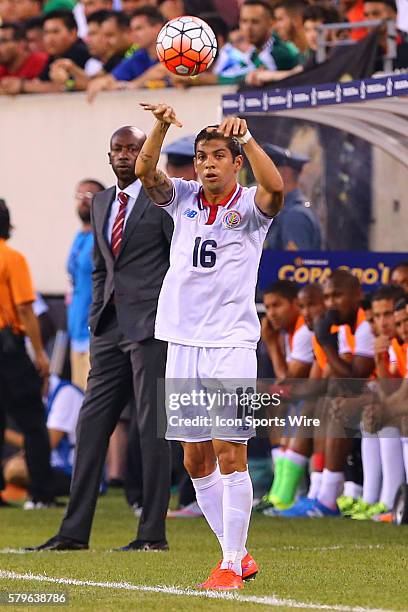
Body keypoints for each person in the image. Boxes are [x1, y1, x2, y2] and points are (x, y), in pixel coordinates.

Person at [136, 102, 284, 589]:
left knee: (229, 451)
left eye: (218, 155)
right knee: (195, 459)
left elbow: (276, 188)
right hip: (181, 340)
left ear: (235, 161)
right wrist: (159, 125)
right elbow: (144, 170)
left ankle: (229, 563)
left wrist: (249, 139)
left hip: (230, 343)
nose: (207, 164)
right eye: (201, 156)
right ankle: (236, 556)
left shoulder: (250, 209)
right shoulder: (182, 197)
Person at [29, 126, 173, 552]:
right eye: (119, 149)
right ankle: (73, 532)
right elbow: (99, 267)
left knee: (151, 429)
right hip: (108, 330)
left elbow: (178, 263)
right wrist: (95, 321)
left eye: (134, 148)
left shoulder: (164, 200)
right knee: (90, 427)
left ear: (147, 152)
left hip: (152, 328)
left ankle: (151, 534)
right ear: (108, 156)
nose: (126, 155)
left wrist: (166, 317)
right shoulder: (102, 202)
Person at [0, 200, 58, 508]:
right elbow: (24, 307)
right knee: (33, 420)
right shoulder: (12, 258)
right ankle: (42, 492)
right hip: (8, 347)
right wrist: (39, 353)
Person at [4, 374, 84, 498]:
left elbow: (47, 444)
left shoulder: (66, 394)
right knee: (11, 465)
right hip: (54, 465)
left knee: (14, 469)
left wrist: (4, 433)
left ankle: (33, 494)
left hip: (72, 471)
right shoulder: (46, 395)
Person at [67, 179, 105, 391]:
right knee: (78, 397)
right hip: (75, 330)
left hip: (94, 331)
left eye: (89, 196)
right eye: (79, 196)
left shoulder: (101, 239)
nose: (83, 201)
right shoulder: (79, 237)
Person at [3, 10, 91, 95]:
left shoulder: (83, 54)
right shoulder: (54, 57)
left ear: (73, 33)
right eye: (46, 33)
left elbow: (67, 87)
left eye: (55, 32)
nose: (50, 39)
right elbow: (43, 82)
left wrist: (23, 86)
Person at [86, 6, 164, 101]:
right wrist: (102, 83)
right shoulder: (138, 56)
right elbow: (112, 78)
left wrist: (135, 84)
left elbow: (163, 69)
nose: (134, 34)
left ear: (157, 27)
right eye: (132, 30)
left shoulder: (176, 49)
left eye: (139, 28)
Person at [263, 144, 322, 251]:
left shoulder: (295, 215)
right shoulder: (285, 210)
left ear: (285, 173)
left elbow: (296, 264)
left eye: (271, 170)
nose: (263, 176)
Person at [0, 22, 48, 89]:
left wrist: (23, 86)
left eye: (3, 41)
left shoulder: (43, 62)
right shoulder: (1, 68)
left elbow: (61, 87)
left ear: (21, 44)